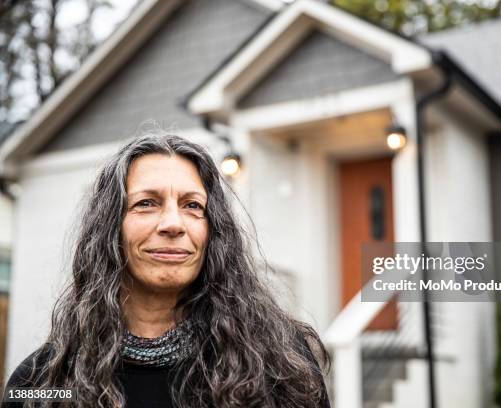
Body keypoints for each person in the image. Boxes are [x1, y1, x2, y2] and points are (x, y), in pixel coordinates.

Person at [3, 134, 331, 407]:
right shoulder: (39, 383)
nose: (173, 224)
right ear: (109, 229)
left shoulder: (282, 365)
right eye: (146, 202)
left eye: (192, 205)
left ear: (214, 231)